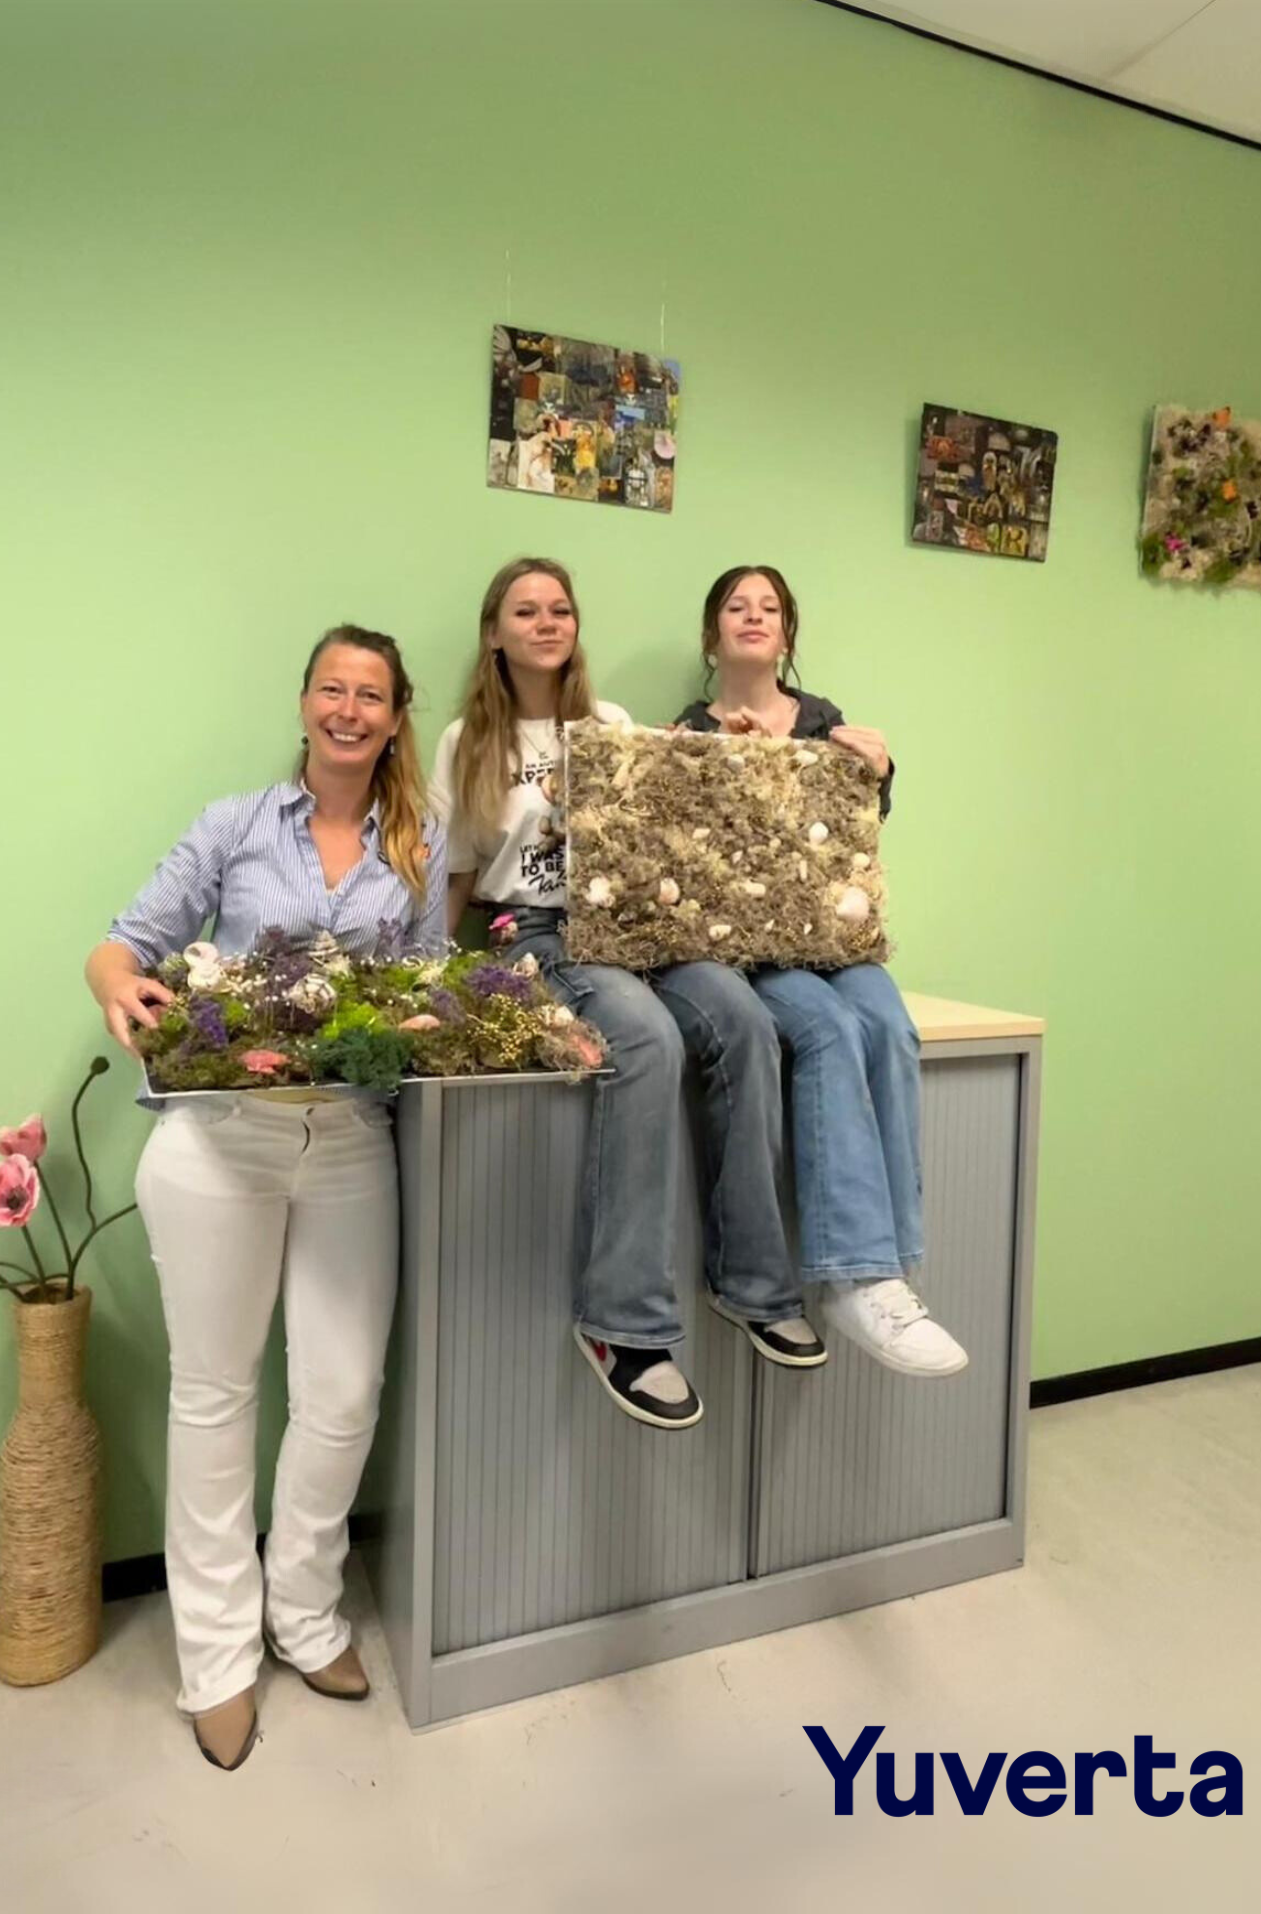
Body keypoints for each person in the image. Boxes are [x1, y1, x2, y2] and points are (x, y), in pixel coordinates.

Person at [84, 625, 445, 1773]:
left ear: (395, 717)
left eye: (371, 694)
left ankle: (305, 1614)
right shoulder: (233, 826)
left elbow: (429, 984)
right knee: (215, 1398)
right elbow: (119, 948)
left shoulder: (420, 846)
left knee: (342, 1397)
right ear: (304, 704)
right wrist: (124, 994)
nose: (349, 708)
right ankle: (218, 1657)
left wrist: (425, 1022)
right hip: (219, 1147)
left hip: (352, 1145)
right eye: (332, 688)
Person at [429, 558, 825, 1434]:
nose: (545, 623)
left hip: (636, 925)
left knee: (742, 1019)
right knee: (645, 1040)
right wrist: (431, 976)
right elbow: (453, 878)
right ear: (494, 632)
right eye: (524, 611)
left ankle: (755, 1287)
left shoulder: (608, 725)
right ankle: (625, 1327)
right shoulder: (468, 742)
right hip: (530, 932)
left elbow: (670, 829)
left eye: (560, 608)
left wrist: (725, 749)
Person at [675, 566, 968, 1379]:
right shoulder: (690, 733)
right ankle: (851, 1276)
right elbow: (688, 857)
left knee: (888, 1025)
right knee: (831, 1031)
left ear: (788, 635)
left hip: (835, 943)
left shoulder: (827, 722)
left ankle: (892, 1271)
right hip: (759, 950)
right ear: (712, 634)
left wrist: (879, 773)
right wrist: (732, 767)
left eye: (769, 607)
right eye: (737, 606)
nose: (753, 616)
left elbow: (849, 835)